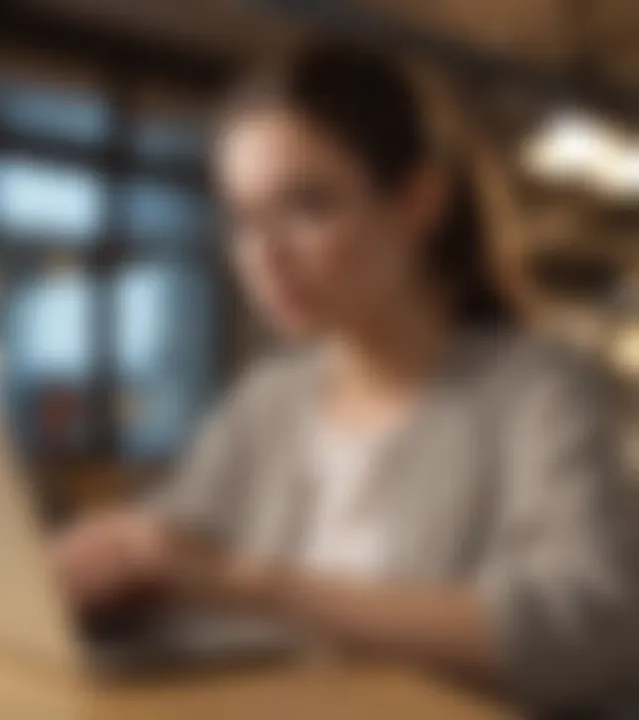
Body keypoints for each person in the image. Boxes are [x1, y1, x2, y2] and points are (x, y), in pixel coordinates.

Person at [51, 41, 639, 716]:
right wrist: (105, 564)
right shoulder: (269, 400)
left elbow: (595, 623)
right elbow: (182, 538)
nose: (264, 256)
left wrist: (255, 586)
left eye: (306, 207)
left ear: (417, 203)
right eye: (243, 219)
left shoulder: (541, 388)